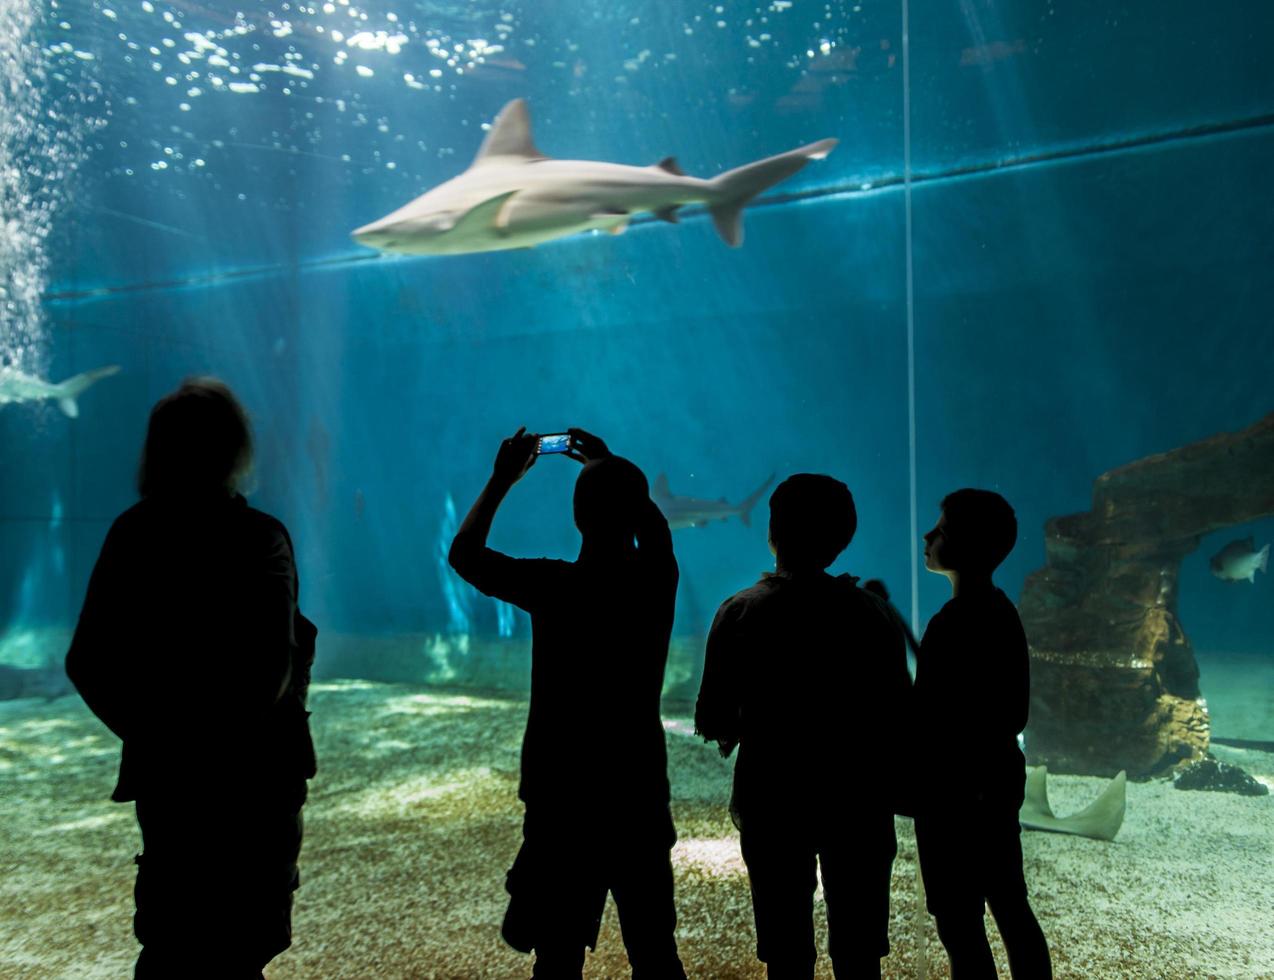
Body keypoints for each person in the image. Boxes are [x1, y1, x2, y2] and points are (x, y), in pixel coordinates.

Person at [65, 377, 317, 979]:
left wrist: (157, 737)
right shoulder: (259, 538)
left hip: (170, 784)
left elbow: (86, 661)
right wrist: (221, 747)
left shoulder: (134, 533)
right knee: (241, 946)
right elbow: (270, 673)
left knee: (171, 942)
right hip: (253, 784)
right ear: (235, 449)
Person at [448, 427, 687, 979]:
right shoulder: (656, 581)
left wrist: (501, 479)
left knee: (556, 958)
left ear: (577, 517)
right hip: (638, 791)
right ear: (638, 513)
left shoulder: (552, 587)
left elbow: (464, 554)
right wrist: (607, 465)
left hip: (562, 798)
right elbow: (655, 534)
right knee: (656, 954)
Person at [695, 474, 911, 979]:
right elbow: (897, 710)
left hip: (773, 799)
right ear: (844, 539)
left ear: (772, 532)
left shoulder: (740, 612)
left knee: (786, 951)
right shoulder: (874, 615)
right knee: (860, 953)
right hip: (858, 799)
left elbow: (715, 719)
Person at [914, 489, 1052, 979]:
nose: (928, 536)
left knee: (958, 922)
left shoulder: (953, 622)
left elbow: (926, 711)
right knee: (1013, 909)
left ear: (968, 546)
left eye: (942, 530)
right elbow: (1011, 712)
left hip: (951, 794)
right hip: (993, 784)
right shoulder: (1001, 612)